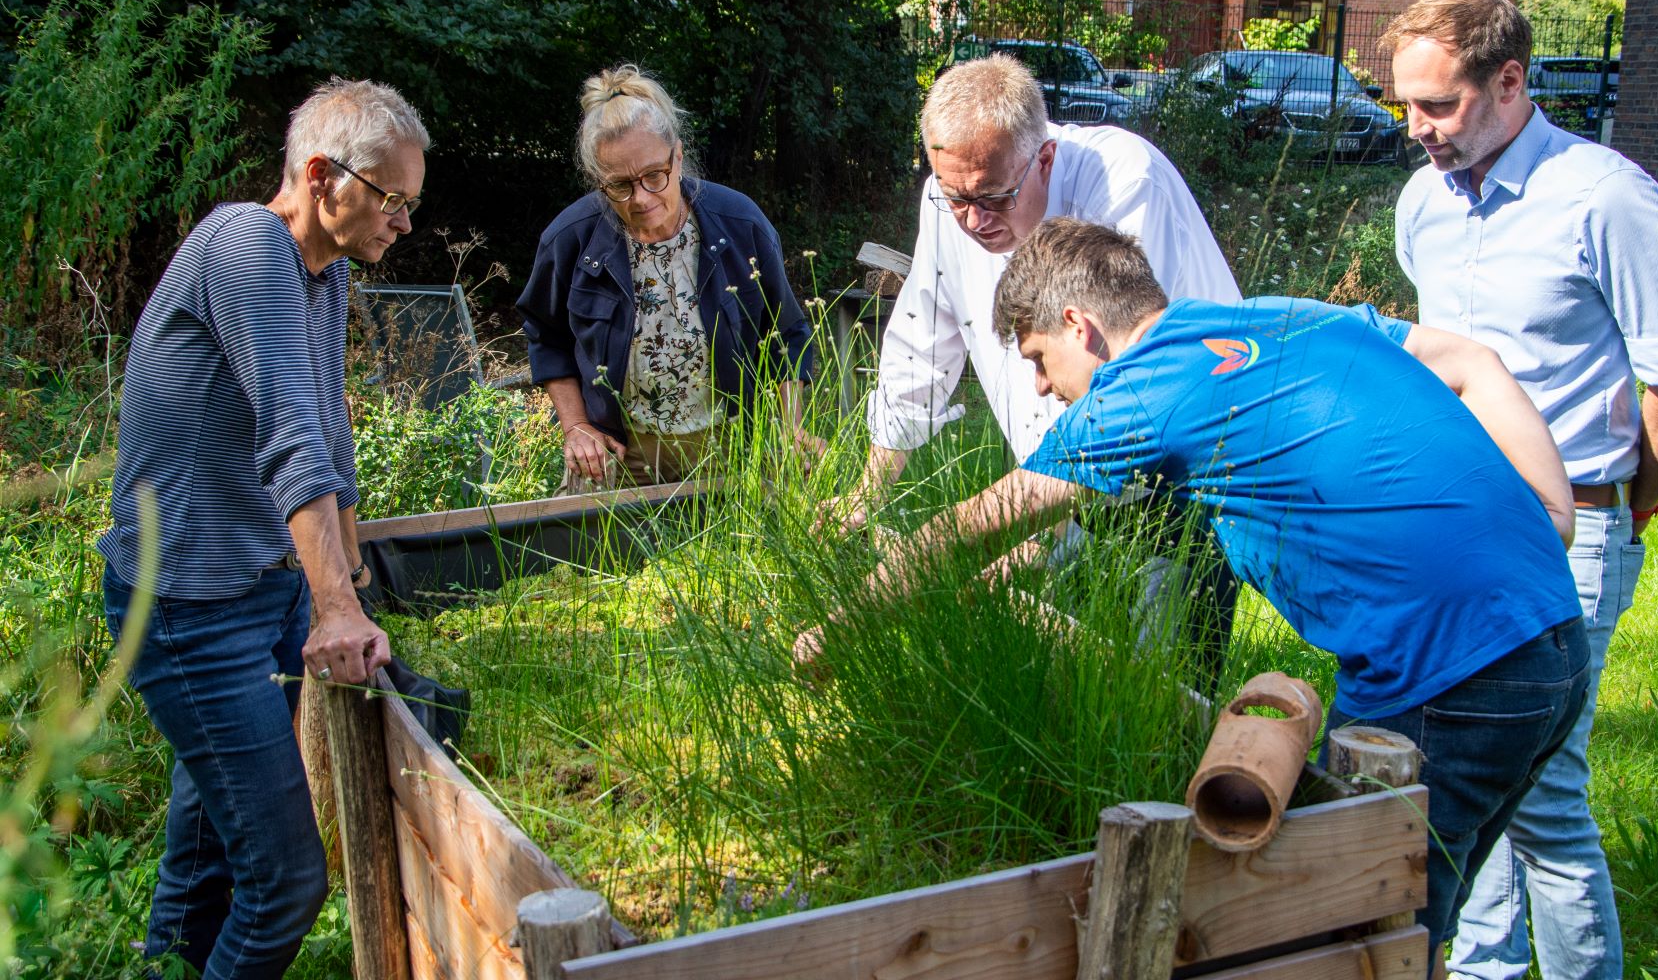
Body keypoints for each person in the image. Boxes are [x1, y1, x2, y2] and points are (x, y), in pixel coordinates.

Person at [796, 217, 1589, 962]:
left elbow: (963, 529)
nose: (1039, 388)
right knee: (1407, 926)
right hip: (1551, 641)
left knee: (1346, 941)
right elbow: (1470, 361)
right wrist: (1553, 512)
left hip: (1447, 669)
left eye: (1038, 358)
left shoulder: (1136, 392)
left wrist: (838, 629)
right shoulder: (1279, 318)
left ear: (1080, 325)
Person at [1385, 0, 1658, 980]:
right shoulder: (1423, 206)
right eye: (1405, 105)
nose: (1417, 131)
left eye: (1437, 107)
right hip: (1457, 526)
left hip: (1574, 527)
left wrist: (1630, 504)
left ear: (1511, 82)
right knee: (1469, 768)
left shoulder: (1606, 198)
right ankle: (1483, 970)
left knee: (1544, 791)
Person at [97, 78, 427, 976]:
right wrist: (333, 611)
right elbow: (290, 436)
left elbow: (330, 435)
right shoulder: (247, 246)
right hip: (190, 608)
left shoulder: (322, 277)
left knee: (205, 858)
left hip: (260, 589)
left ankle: (164, 966)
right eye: (392, 199)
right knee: (285, 883)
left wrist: (349, 587)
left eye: (411, 203)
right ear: (322, 175)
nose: (403, 221)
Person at [830, 54, 1242, 666]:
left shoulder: (1125, 184)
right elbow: (921, 346)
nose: (974, 220)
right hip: (1058, 487)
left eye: (993, 197)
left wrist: (1027, 541)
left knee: (1160, 690)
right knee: (1066, 683)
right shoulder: (947, 205)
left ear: (1044, 158)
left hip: (1182, 478)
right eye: (956, 197)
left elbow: (1123, 387)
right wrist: (868, 490)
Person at [518, 65, 820, 487]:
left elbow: (787, 334)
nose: (640, 198)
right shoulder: (570, 239)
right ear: (598, 182)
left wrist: (789, 429)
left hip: (731, 456)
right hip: (619, 458)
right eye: (620, 185)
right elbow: (545, 336)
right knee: (590, 554)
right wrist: (575, 427)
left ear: (677, 157)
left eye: (654, 176)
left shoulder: (739, 225)